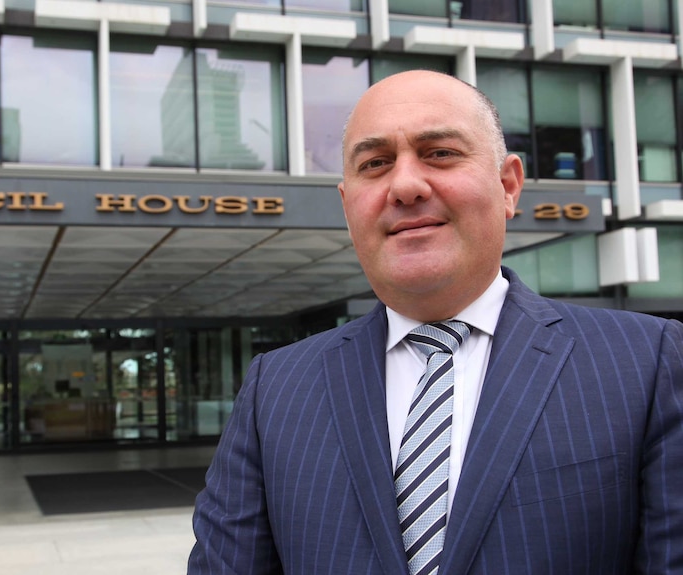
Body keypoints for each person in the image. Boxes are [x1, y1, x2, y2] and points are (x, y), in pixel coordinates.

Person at [187, 70, 683, 574]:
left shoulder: (648, 364)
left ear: (508, 185)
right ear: (346, 205)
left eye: (440, 153)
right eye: (375, 163)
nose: (404, 185)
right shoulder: (276, 389)